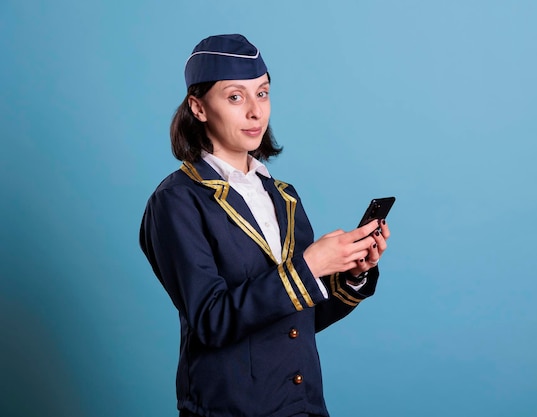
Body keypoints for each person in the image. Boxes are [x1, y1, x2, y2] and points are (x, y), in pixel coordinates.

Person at [139, 34, 391, 417]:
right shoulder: (177, 201)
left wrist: (352, 274)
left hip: (302, 407)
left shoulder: (284, 196)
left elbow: (298, 320)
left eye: (263, 93)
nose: (256, 111)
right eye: (236, 97)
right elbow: (212, 320)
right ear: (198, 107)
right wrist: (308, 267)